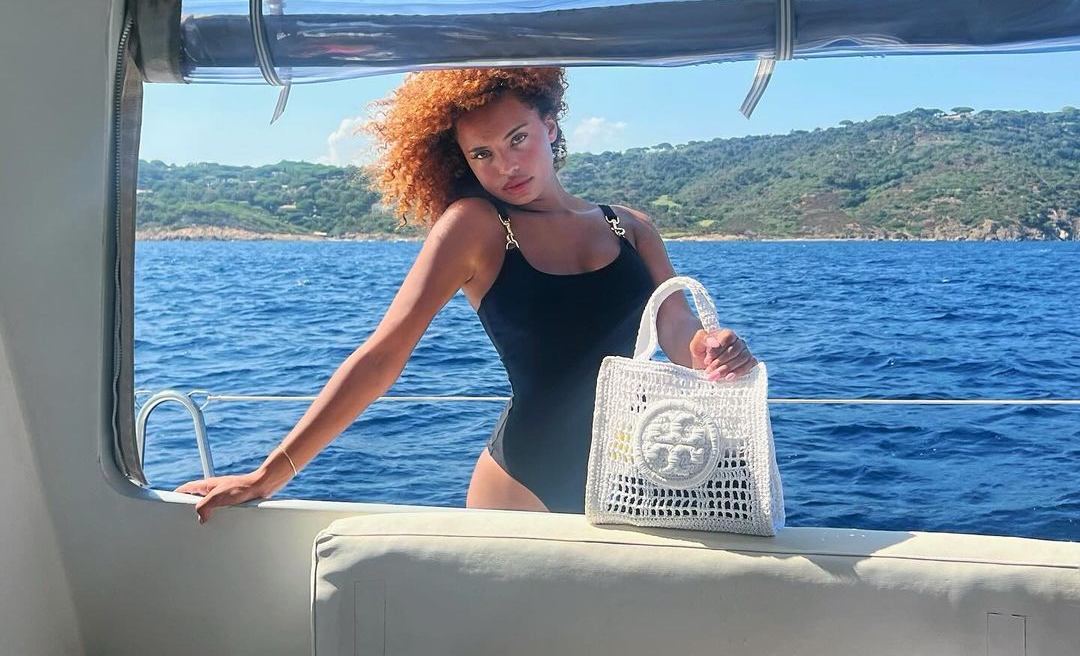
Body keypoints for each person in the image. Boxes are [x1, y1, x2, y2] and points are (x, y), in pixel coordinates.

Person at [177, 67, 758, 522]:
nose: (506, 166)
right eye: (483, 154)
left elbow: (677, 330)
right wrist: (269, 475)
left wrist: (712, 348)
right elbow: (383, 356)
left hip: (633, 478)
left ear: (550, 127)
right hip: (520, 490)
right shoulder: (476, 227)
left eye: (517, 139)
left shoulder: (628, 226)